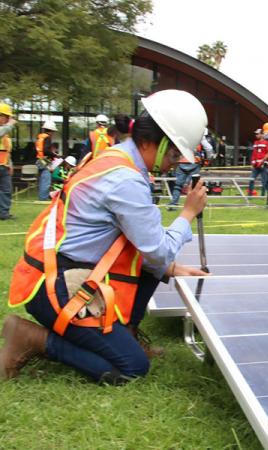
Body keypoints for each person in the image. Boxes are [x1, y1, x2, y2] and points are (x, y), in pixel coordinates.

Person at [1, 89, 209, 385]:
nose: (176, 162)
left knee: (155, 270)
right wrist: (187, 214)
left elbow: (144, 248)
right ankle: (32, 338)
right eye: (175, 153)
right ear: (154, 142)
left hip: (59, 275)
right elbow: (158, 251)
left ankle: (127, 336)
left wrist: (170, 269)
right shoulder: (125, 180)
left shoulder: (116, 158)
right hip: (58, 289)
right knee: (132, 367)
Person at [167, 130, 214, 208]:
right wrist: (208, 159)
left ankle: (173, 204)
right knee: (193, 185)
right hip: (194, 162)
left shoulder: (180, 134)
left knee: (178, 185)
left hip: (181, 161)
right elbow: (208, 148)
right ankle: (192, 205)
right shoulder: (199, 135)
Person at [0, 103, 17, 220]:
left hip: (4, 166)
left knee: (6, 191)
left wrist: (10, 164)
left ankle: (4, 214)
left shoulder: (5, 133)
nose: (8, 119)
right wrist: (10, 125)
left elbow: (7, 151)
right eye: (6, 117)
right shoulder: (4, 130)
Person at [35, 120, 59, 201]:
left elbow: (39, 150)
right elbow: (46, 150)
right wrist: (54, 155)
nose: (53, 133)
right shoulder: (47, 138)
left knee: (42, 179)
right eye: (53, 131)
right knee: (46, 179)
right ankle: (43, 198)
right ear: (51, 130)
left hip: (39, 160)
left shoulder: (40, 137)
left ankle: (42, 197)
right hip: (44, 161)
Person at [248, 128, 268, 196]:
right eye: (255, 134)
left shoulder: (266, 142)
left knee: (264, 181)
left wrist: (262, 161)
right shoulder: (255, 142)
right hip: (256, 166)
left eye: (257, 134)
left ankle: (263, 195)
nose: (256, 135)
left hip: (263, 166)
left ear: (262, 134)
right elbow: (253, 154)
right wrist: (252, 163)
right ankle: (250, 195)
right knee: (251, 179)